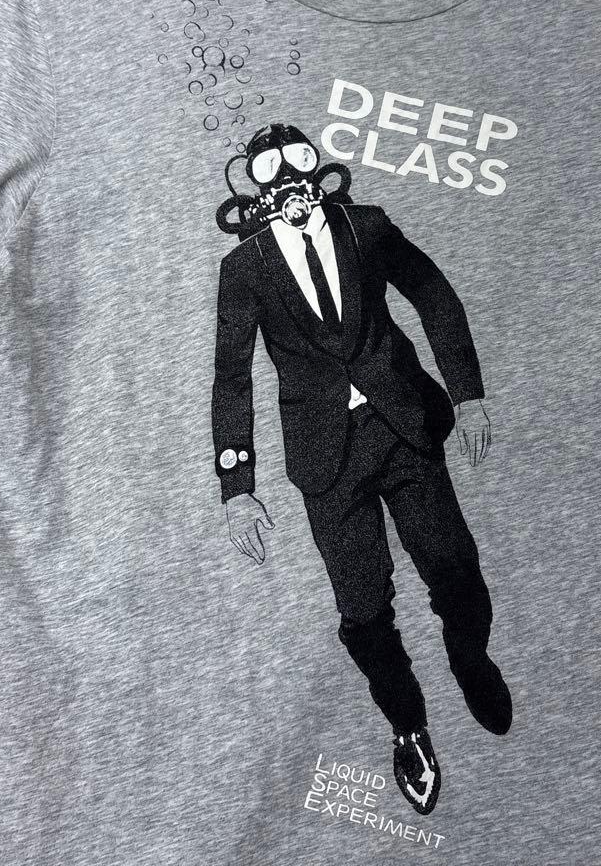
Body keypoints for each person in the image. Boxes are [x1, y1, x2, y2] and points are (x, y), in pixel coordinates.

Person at [211, 122, 512, 814]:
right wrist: (237, 487)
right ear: (253, 187)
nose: (290, 183)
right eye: (271, 171)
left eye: (298, 164)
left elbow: (433, 293)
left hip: (404, 425)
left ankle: (471, 659)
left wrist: (466, 395)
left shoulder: (366, 226)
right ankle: (407, 725)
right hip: (325, 459)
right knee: (363, 608)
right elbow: (232, 376)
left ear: (318, 169)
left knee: (454, 566)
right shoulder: (245, 268)